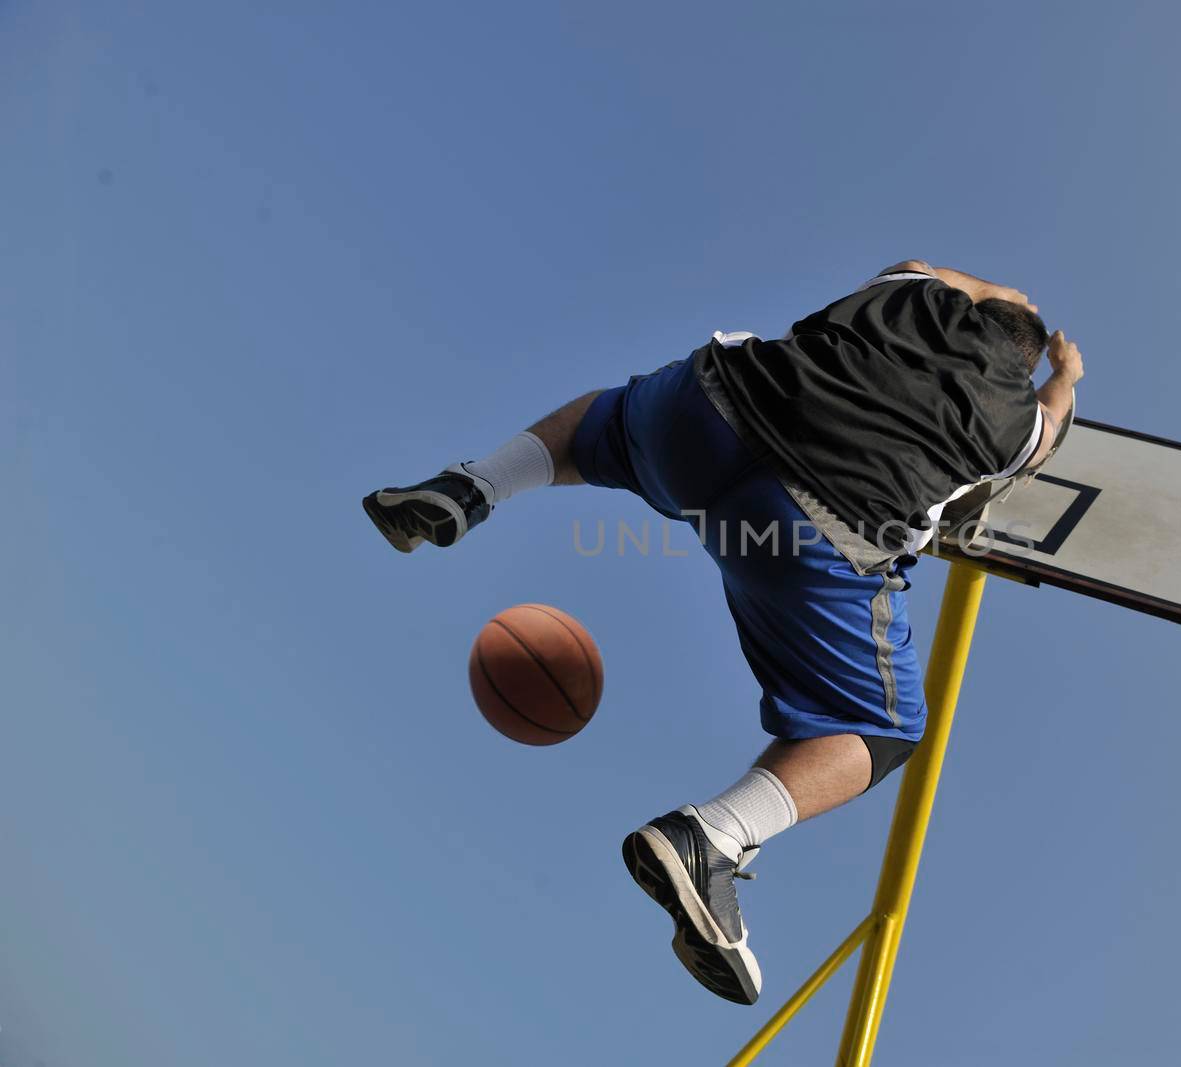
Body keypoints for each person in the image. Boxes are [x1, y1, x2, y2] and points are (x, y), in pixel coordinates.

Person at [362, 261, 1084, 1005]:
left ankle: (476, 482)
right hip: (813, 523)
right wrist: (1065, 371)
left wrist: (995, 290)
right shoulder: (1017, 419)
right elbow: (1053, 419)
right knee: (882, 727)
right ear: (1019, 364)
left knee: (603, 424)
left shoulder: (910, 295)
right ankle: (714, 834)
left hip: (706, 414)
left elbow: (929, 269)